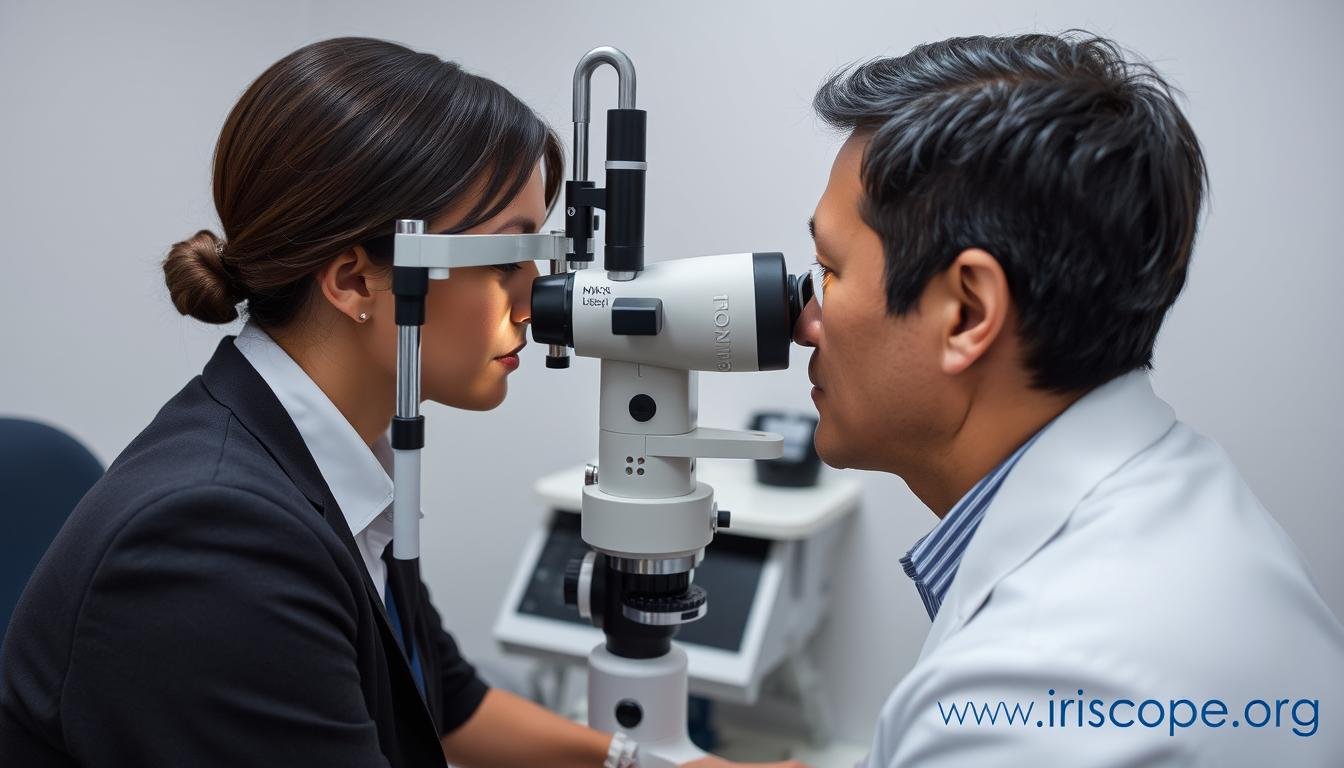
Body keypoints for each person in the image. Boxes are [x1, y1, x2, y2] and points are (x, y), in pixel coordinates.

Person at [0, 37, 798, 768]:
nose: (539, 299)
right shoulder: (210, 543)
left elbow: (445, 702)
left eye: (540, 257)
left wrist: (666, 765)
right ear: (356, 281)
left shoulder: (342, 458)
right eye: (506, 261)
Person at [792, 32, 1344, 766]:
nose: (805, 322)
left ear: (966, 313)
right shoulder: (1191, 503)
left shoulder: (1037, 693)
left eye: (829, 270)